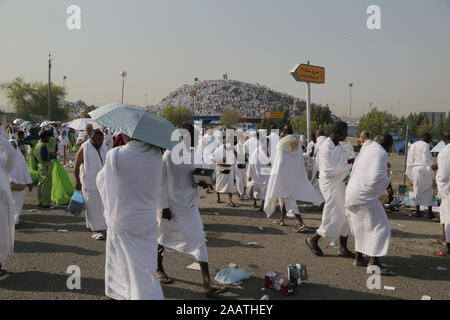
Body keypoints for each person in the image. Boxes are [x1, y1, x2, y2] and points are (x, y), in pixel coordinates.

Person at [157, 123, 228, 297]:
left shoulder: (194, 154)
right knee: (161, 239)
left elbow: (194, 178)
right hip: (171, 207)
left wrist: (201, 184)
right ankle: (158, 269)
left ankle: (206, 282)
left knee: (199, 240)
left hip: (189, 207)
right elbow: (159, 183)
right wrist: (163, 207)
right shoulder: (167, 155)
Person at [96, 133, 164, 300]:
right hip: (147, 220)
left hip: (122, 220)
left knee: (121, 267)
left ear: (127, 133)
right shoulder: (156, 155)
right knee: (146, 268)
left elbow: (101, 181)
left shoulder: (116, 154)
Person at [346, 134, 395, 275]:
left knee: (360, 227)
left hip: (351, 192)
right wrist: (386, 184)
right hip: (363, 196)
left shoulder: (367, 148)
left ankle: (359, 257)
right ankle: (374, 263)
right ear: (388, 146)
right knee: (381, 227)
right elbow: (377, 177)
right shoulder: (381, 153)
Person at [306, 121, 353, 257]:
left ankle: (343, 248)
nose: (347, 134)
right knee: (333, 213)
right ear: (338, 131)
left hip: (340, 183)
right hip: (331, 184)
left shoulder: (338, 146)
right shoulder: (326, 147)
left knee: (346, 213)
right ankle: (313, 239)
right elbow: (328, 170)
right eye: (345, 131)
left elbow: (342, 165)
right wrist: (349, 168)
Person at [264, 125, 324, 231]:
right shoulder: (296, 142)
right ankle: (282, 219)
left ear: (284, 132)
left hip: (282, 175)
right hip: (293, 174)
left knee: (288, 197)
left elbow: (279, 162)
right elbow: (299, 159)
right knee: (283, 196)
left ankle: (301, 222)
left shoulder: (281, 142)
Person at [74, 129, 108, 240]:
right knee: (92, 207)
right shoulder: (84, 148)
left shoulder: (103, 147)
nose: (101, 142)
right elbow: (76, 165)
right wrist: (77, 182)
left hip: (103, 183)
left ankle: (103, 227)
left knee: (103, 206)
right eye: (99, 140)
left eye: (102, 140)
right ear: (92, 139)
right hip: (89, 183)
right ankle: (95, 230)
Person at [406, 133, 436, 219]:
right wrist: (433, 166)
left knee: (417, 190)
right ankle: (429, 212)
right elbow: (426, 158)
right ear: (427, 138)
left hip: (415, 169)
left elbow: (409, 159)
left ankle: (418, 212)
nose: (430, 141)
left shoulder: (413, 145)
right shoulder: (425, 145)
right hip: (424, 169)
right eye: (430, 139)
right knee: (428, 190)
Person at [0, 130, 17, 276]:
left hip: (1, 202)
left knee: (2, 234)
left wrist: (1, 138)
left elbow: (11, 153)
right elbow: (11, 153)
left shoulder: (1, 161)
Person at [9, 139, 33, 227]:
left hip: (20, 185)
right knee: (9, 203)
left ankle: (15, 221)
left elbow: (25, 171)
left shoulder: (20, 158)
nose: (13, 147)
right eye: (11, 146)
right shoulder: (4, 156)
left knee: (18, 204)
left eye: (14, 146)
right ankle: (11, 221)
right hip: (8, 185)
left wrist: (29, 183)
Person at [211, 133, 236, 207]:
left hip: (229, 169)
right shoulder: (219, 149)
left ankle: (229, 200)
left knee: (230, 186)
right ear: (223, 141)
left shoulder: (232, 149)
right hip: (220, 169)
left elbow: (235, 159)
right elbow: (211, 157)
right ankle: (218, 198)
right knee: (219, 184)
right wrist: (219, 162)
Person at [435, 130, 450, 256]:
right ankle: (445, 239)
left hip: (448, 190)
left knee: (448, 217)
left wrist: (439, 181)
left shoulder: (444, 153)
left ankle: (448, 248)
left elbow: (444, 176)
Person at [34, 130, 57, 208]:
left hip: (40, 166)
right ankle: (46, 203)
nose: (49, 139)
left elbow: (36, 158)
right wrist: (52, 156)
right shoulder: (43, 145)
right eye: (48, 138)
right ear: (45, 137)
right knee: (46, 185)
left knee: (40, 184)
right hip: (46, 166)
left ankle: (40, 201)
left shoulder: (37, 145)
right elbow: (45, 158)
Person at [247, 138, 271, 211]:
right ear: (261, 143)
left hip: (266, 173)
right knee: (256, 189)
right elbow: (251, 163)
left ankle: (262, 206)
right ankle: (254, 202)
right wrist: (250, 174)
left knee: (265, 190)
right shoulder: (256, 151)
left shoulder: (269, 151)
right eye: (264, 143)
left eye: (267, 143)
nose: (265, 145)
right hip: (257, 173)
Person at [234, 132, 247, 200]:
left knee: (243, 180)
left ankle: (242, 193)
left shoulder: (245, 146)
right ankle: (241, 193)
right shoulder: (235, 147)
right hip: (238, 165)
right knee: (239, 180)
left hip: (244, 165)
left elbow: (247, 155)